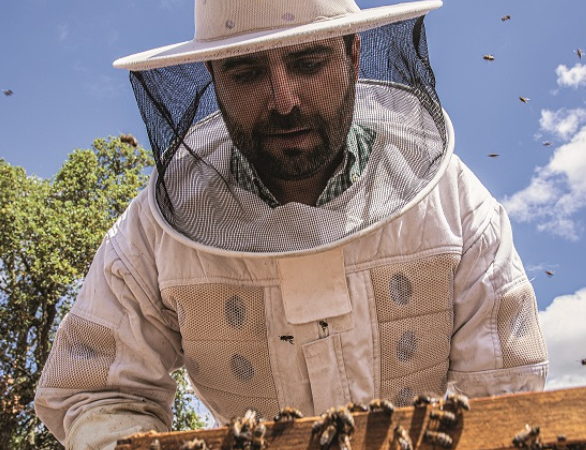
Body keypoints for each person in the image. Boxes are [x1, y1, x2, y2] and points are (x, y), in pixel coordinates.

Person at [34, 1, 549, 449]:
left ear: (352, 56)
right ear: (213, 78)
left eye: (308, 62)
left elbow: (502, 388)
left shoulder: (454, 204)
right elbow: (95, 391)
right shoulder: (151, 234)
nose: (284, 100)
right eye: (245, 72)